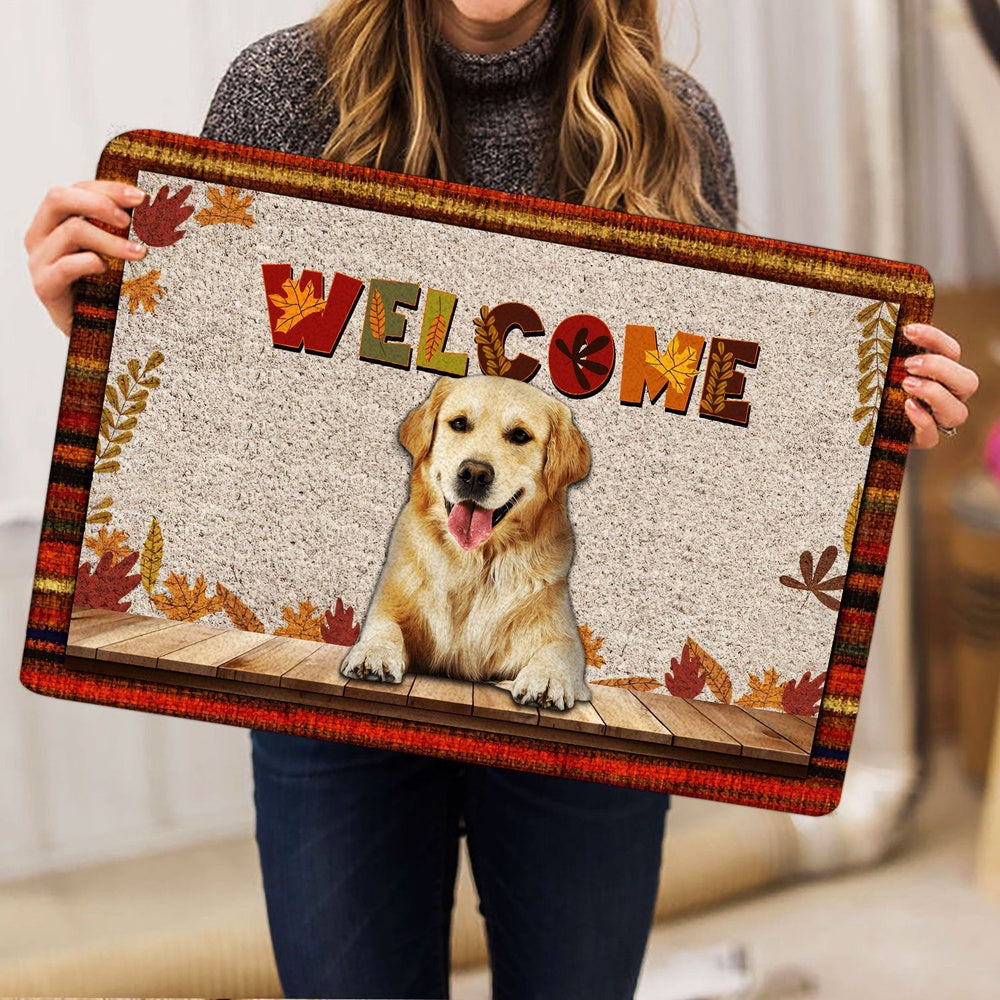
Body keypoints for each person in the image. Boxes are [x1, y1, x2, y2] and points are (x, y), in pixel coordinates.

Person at [24, 2, 980, 998]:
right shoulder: (282, 93)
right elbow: (225, 395)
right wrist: (108, 325)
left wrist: (847, 435)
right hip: (339, 691)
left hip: (583, 697)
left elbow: (693, 462)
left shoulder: (672, 126)